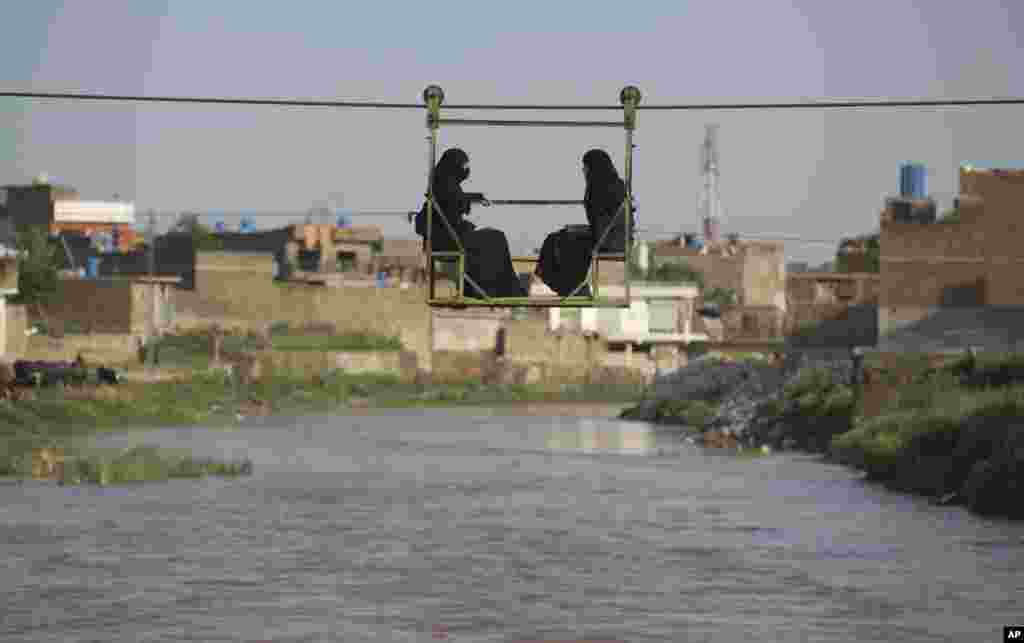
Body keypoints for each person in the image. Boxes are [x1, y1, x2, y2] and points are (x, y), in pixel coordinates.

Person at [414, 148, 526, 298]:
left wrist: (476, 197)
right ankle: (503, 289)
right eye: (464, 166)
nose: (466, 170)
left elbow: (456, 199)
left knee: (494, 238)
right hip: (448, 242)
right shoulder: (444, 184)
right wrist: (470, 206)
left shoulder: (442, 182)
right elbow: (454, 203)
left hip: (447, 239)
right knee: (496, 238)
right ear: (454, 165)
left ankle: (499, 288)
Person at [535, 149, 636, 297]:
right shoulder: (616, 185)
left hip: (607, 242)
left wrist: (578, 231)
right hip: (618, 240)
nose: (583, 171)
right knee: (562, 238)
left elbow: (602, 227)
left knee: (556, 241)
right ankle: (572, 286)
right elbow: (605, 223)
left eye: (585, 167)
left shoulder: (599, 187)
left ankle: (571, 287)